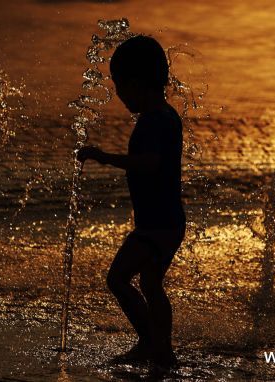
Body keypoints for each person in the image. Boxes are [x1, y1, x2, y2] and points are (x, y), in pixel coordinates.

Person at [77, 35, 186, 370]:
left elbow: (149, 163)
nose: (119, 95)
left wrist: (104, 157)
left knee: (118, 278)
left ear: (137, 84)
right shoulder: (164, 115)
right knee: (151, 283)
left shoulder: (154, 121)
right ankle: (161, 350)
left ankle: (151, 343)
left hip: (157, 224)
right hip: (166, 220)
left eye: (120, 86)